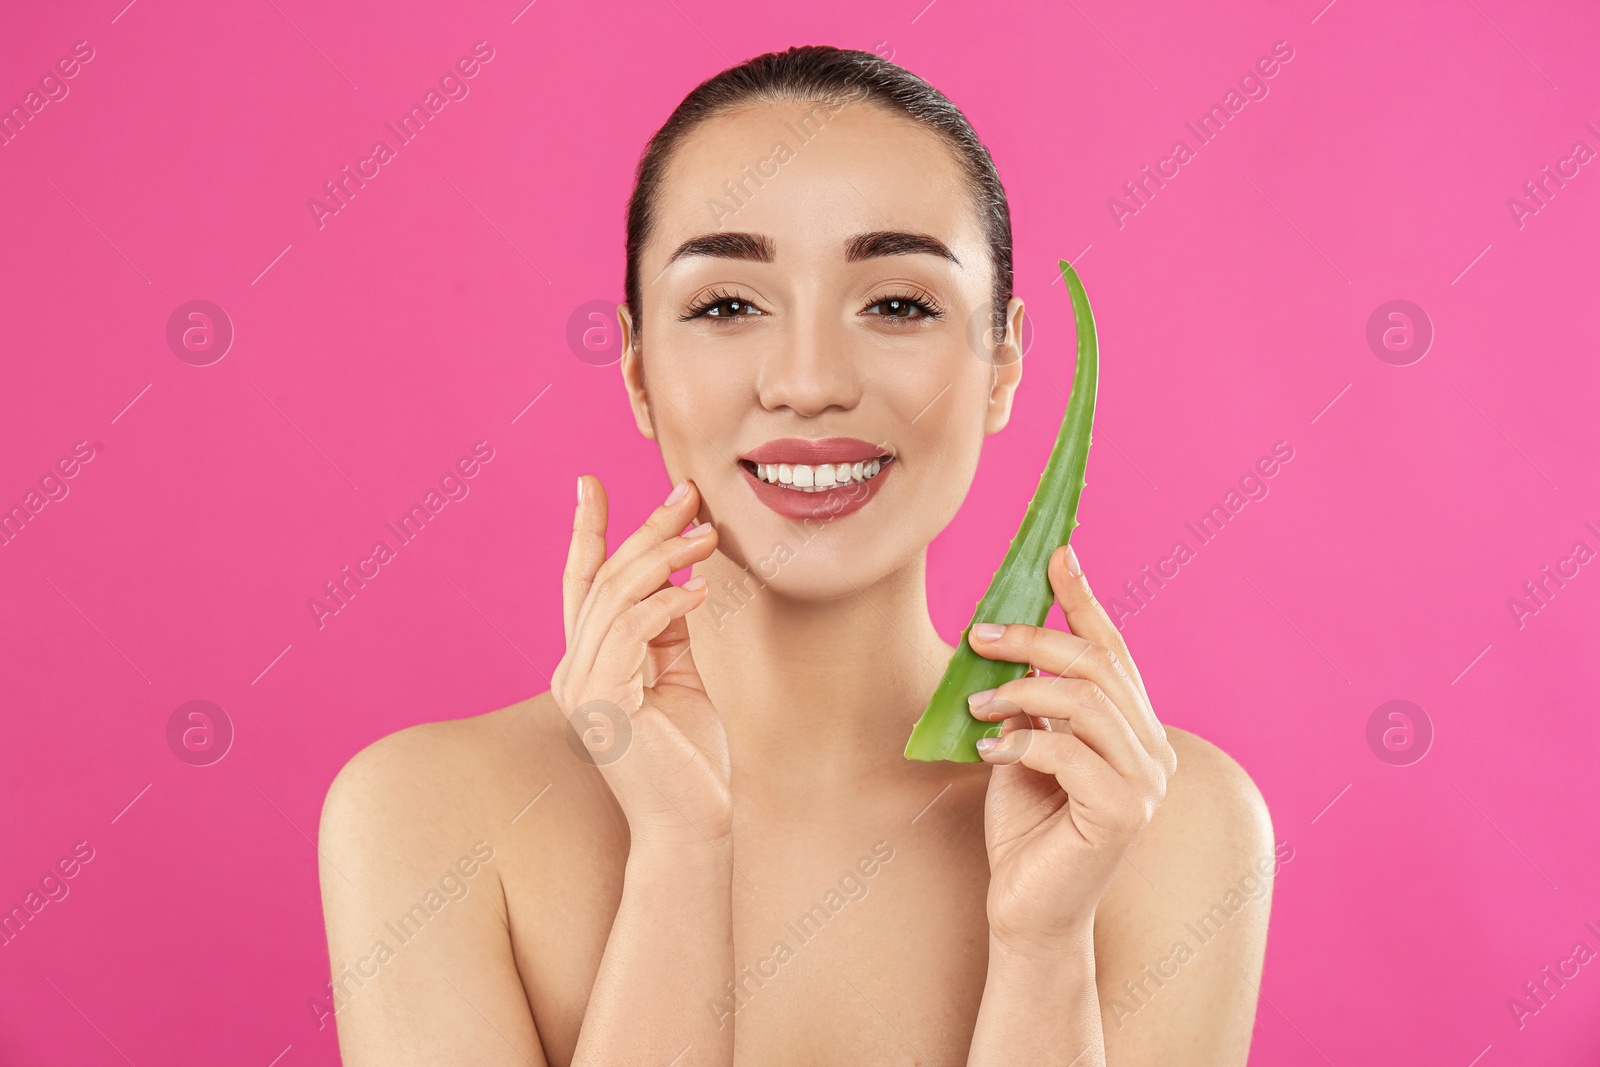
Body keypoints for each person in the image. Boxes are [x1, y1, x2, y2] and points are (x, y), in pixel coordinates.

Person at [318, 44, 1275, 1066]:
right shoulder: (425, 815)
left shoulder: (1169, 827)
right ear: (639, 372)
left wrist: (1042, 950)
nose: (809, 381)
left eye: (897, 303)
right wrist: (681, 857)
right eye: (727, 304)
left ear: (1001, 364)